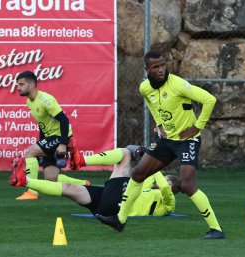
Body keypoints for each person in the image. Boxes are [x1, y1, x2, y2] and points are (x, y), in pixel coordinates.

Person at [94, 51, 225, 239]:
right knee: (138, 173)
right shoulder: (145, 88)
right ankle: (120, 220)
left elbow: (209, 99)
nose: (161, 69)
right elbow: (152, 105)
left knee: (187, 184)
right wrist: (159, 124)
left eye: (163, 65)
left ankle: (216, 229)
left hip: (187, 140)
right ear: (147, 69)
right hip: (166, 140)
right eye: (156, 67)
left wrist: (198, 126)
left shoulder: (179, 85)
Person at [10, 146, 180, 217]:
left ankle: (82, 161)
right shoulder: (149, 187)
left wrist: (156, 164)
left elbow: (163, 185)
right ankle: (25, 181)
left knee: (125, 153)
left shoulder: (168, 203)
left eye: (166, 180)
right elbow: (145, 173)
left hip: (118, 205)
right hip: (108, 202)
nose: (162, 180)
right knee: (71, 188)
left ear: (171, 185)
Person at [9, 70, 85, 200]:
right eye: (18, 85)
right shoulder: (29, 102)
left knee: (29, 152)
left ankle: (32, 192)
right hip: (50, 138)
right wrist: (41, 144)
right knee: (51, 178)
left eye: (21, 84)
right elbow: (42, 124)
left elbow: (64, 120)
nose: (18, 88)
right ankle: (84, 185)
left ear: (31, 85)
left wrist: (62, 143)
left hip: (60, 137)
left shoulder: (46, 100)